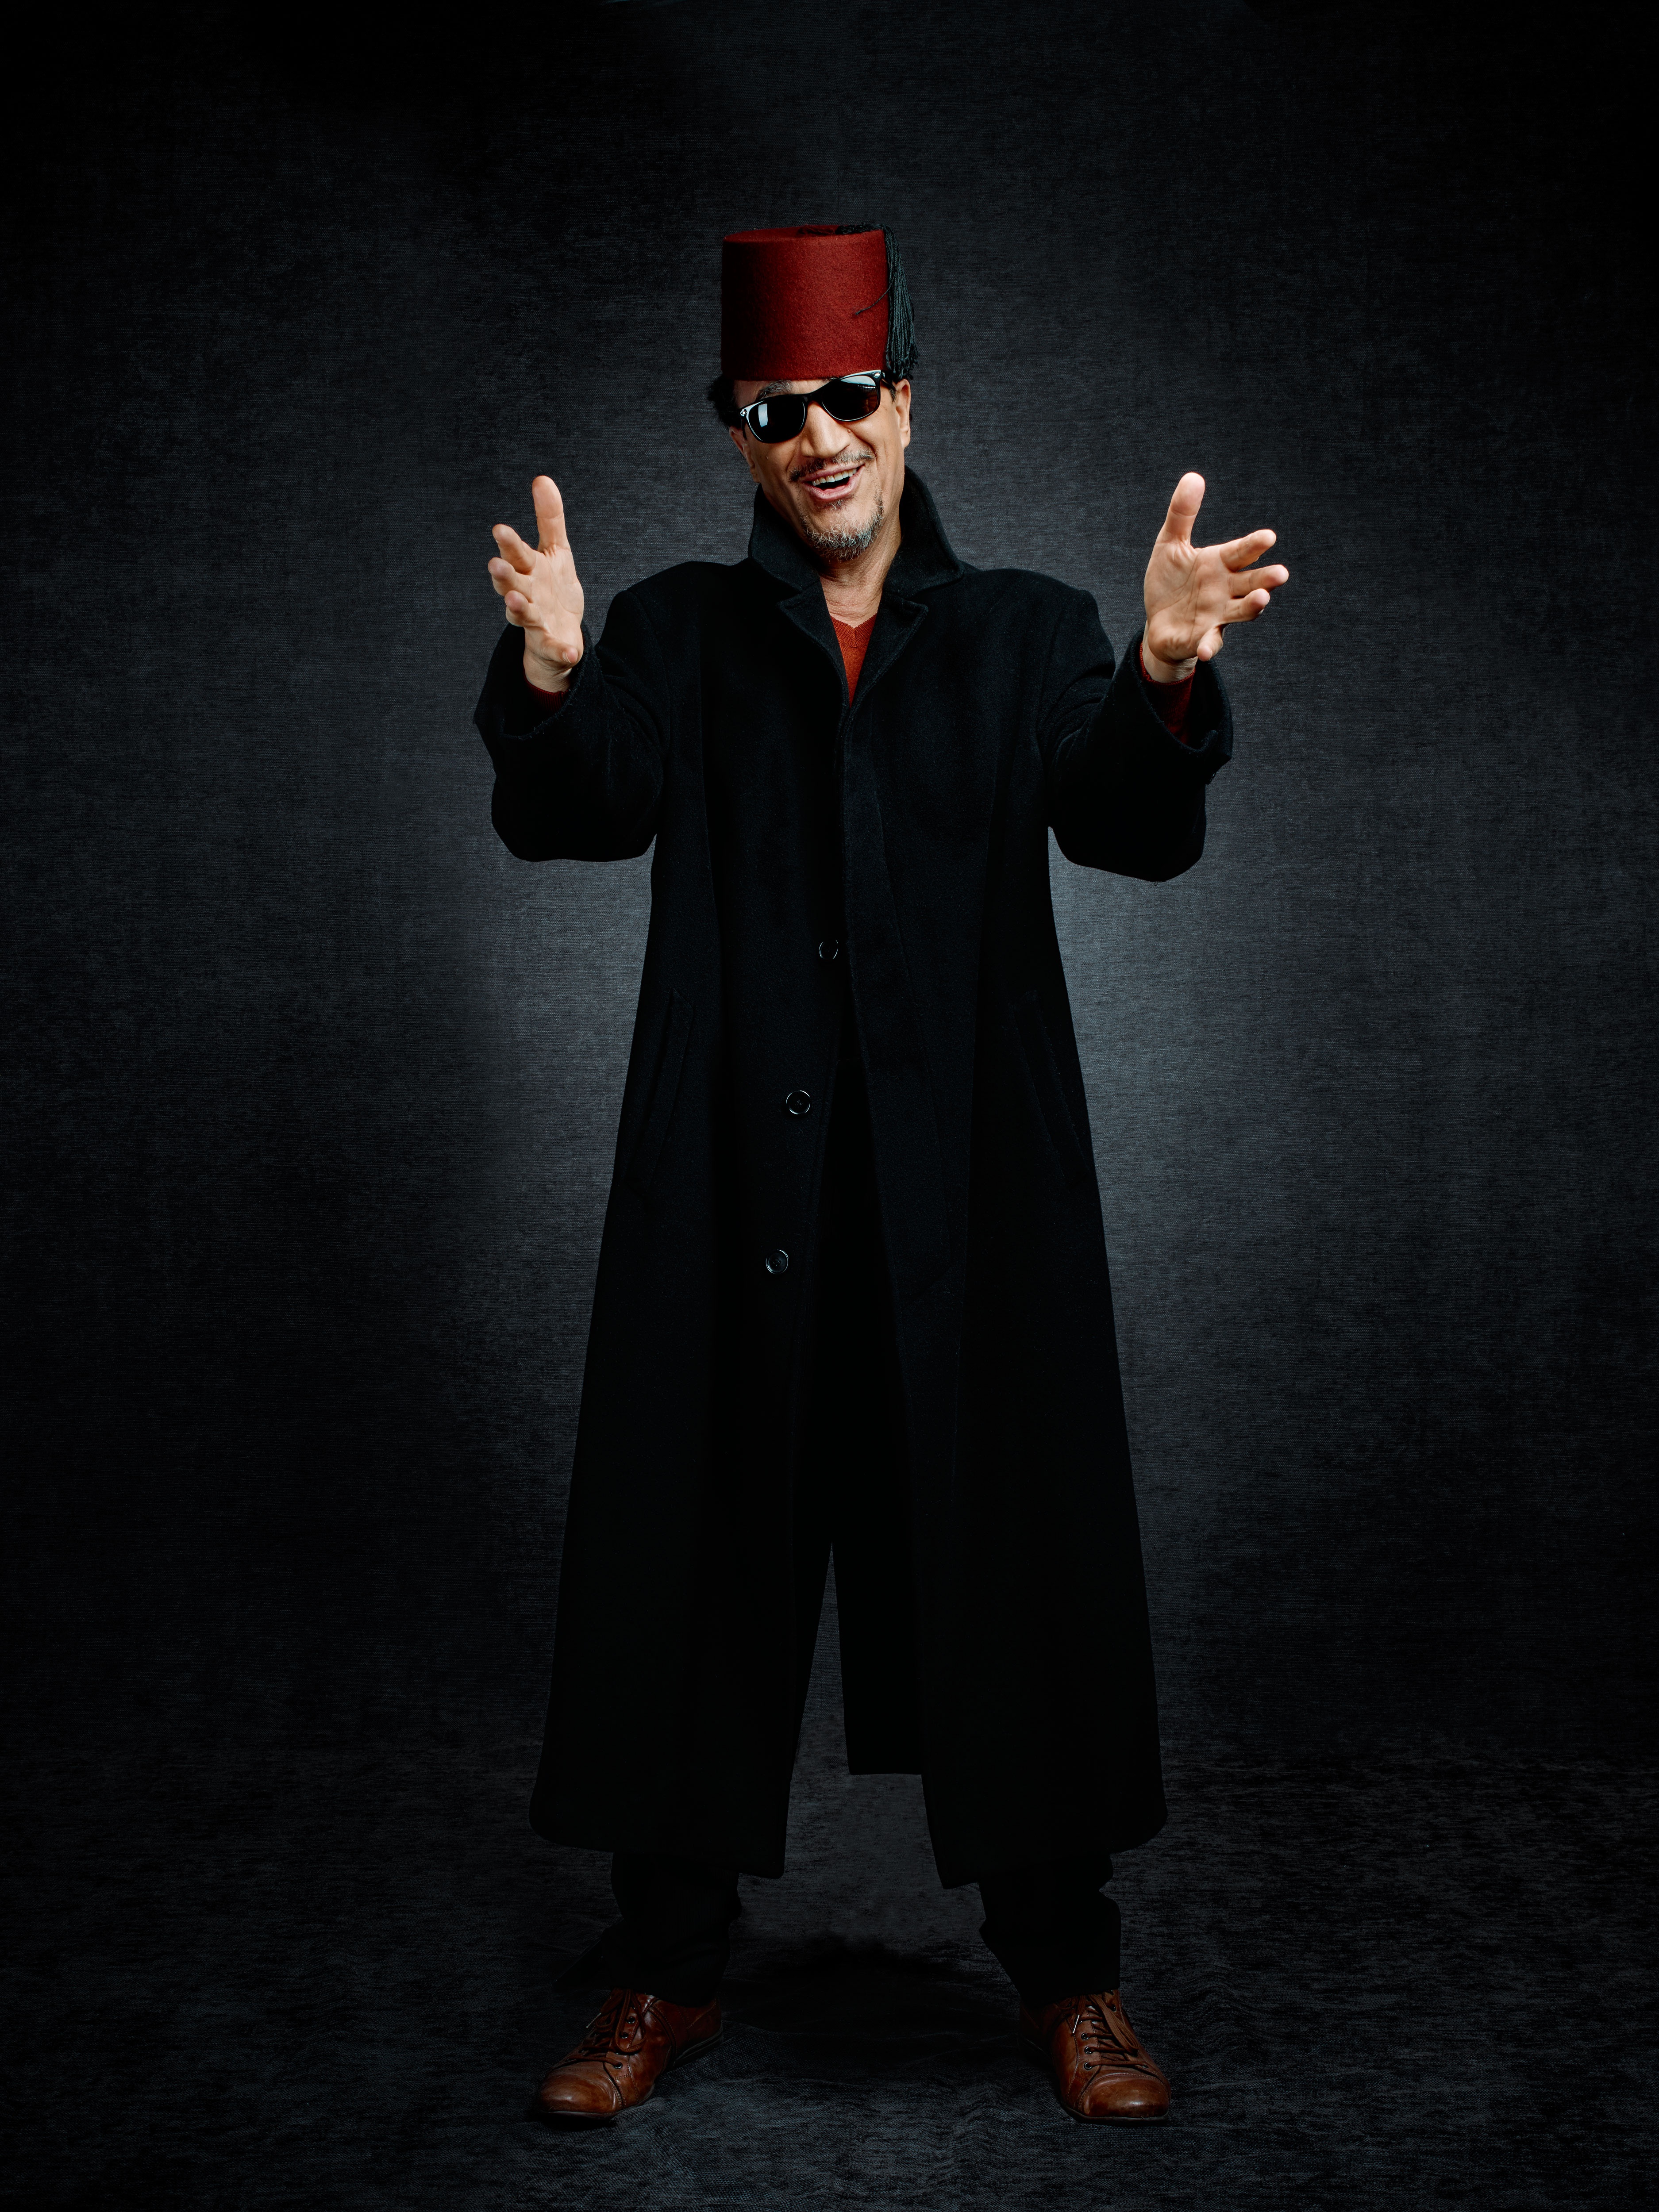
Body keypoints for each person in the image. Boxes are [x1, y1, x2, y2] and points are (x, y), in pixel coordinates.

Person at [476, 224, 1286, 2126]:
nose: (821, 436)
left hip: (965, 1210)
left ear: (904, 401)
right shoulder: (678, 631)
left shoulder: (1022, 631)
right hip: (730, 1200)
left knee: (1013, 1560)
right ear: (740, 435)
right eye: (779, 412)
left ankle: (1070, 1975)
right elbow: (577, 809)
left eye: (849, 397)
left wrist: (1162, 672)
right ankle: (662, 1975)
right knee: (694, 1555)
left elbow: (1127, 825)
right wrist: (553, 676)